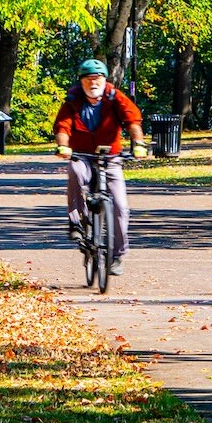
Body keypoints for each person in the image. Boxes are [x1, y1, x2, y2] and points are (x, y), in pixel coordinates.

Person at [54, 58, 148, 275]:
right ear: (81, 82)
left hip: (110, 158)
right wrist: (62, 146)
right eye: (88, 79)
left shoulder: (115, 97)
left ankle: (117, 256)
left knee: (121, 207)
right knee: (75, 171)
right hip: (82, 156)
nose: (92, 83)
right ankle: (77, 223)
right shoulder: (73, 100)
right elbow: (63, 127)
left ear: (105, 80)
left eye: (96, 78)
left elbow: (132, 121)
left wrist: (139, 145)